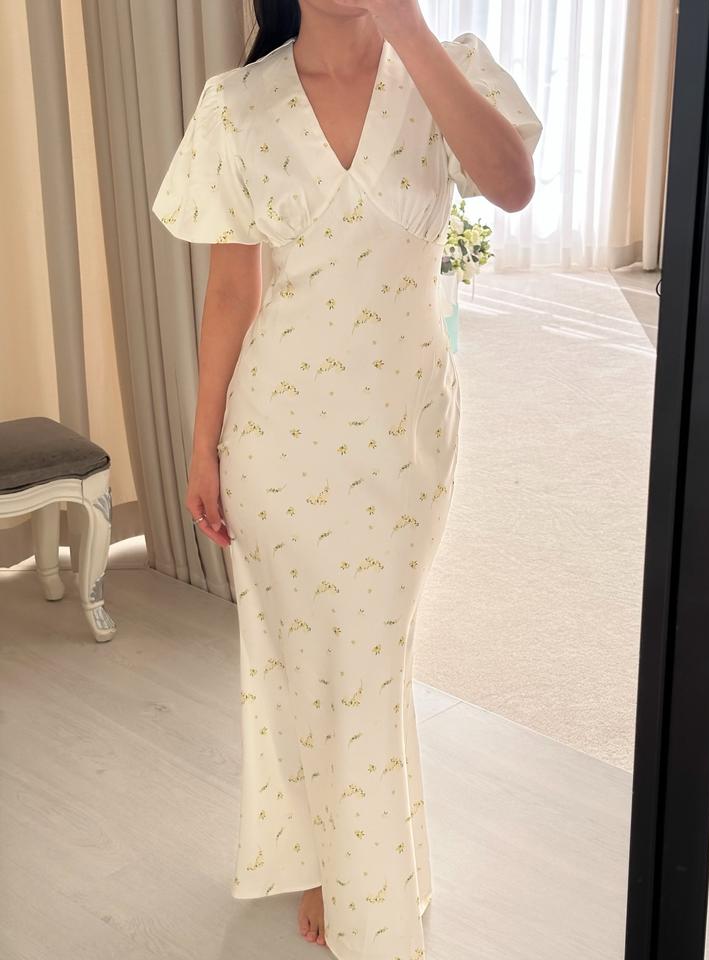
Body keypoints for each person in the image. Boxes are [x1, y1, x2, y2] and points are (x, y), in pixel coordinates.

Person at [151, 2, 542, 957]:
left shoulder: (445, 68)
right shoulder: (238, 104)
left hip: (403, 438)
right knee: (304, 660)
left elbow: (512, 185)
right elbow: (232, 290)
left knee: (370, 657)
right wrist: (202, 447)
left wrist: (407, 26)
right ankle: (348, 873)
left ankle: (358, 867)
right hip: (277, 436)